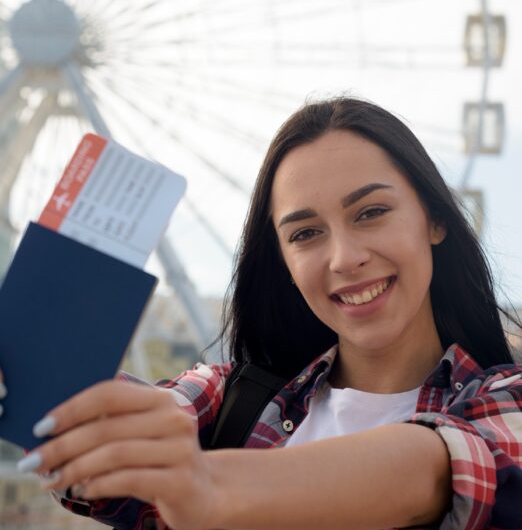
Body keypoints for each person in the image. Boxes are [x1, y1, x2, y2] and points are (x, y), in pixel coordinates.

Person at [7, 97, 522, 530]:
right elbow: (98, 421)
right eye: (305, 233)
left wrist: (208, 484)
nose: (344, 258)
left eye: (371, 213)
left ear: (434, 219)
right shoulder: (227, 398)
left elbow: (440, 465)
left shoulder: (505, 403)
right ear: (285, 263)